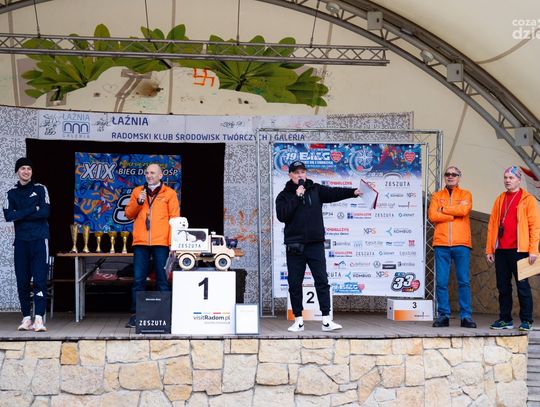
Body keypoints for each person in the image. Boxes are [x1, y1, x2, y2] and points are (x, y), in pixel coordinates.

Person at [275, 161, 362, 332]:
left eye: (302, 172)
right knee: (295, 283)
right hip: (295, 246)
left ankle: (326, 320)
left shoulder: (315, 189)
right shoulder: (284, 195)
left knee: (322, 281)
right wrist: (296, 196)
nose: (300, 175)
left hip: (315, 244)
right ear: (290, 175)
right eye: (296, 172)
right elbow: (282, 216)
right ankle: (298, 320)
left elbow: (334, 193)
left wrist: (353, 192)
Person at [124, 163, 180, 328]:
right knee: (138, 280)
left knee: (162, 280)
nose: (149, 175)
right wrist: (138, 202)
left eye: (153, 173)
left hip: (161, 242)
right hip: (141, 242)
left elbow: (175, 219)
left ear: (160, 175)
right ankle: (136, 315)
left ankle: (165, 315)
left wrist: (172, 243)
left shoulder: (169, 193)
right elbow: (128, 214)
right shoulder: (137, 192)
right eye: (147, 173)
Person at [486, 166, 540, 331]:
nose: (507, 180)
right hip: (501, 250)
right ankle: (505, 319)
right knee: (503, 287)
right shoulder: (500, 199)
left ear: (519, 180)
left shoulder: (528, 199)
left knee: (523, 287)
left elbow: (535, 227)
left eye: (511, 177)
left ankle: (527, 320)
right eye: (505, 177)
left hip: (520, 251)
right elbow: (492, 225)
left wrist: (533, 250)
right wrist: (490, 249)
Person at [3, 157, 50, 332]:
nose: (26, 171)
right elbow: (9, 216)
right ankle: (26, 318)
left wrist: (20, 214)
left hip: (39, 240)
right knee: (22, 281)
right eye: (22, 168)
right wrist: (32, 209)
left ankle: (38, 319)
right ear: (17, 171)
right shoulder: (11, 193)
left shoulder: (40, 189)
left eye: (29, 168)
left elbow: (45, 212)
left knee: (39, 280)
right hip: (21, 242)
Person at [428, 166, 476, 328]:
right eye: (447, 174)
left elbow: (464, 210)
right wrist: (452, 215)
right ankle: (443, 315)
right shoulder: (437, 195)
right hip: (441, 243)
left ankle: (466, 316)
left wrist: (443, 209)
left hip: (461, 243)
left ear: (459, 177)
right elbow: (432, 215)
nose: (450, 176)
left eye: (454, 174)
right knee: (441, 282)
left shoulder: (466, 194)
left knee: (464, 281)